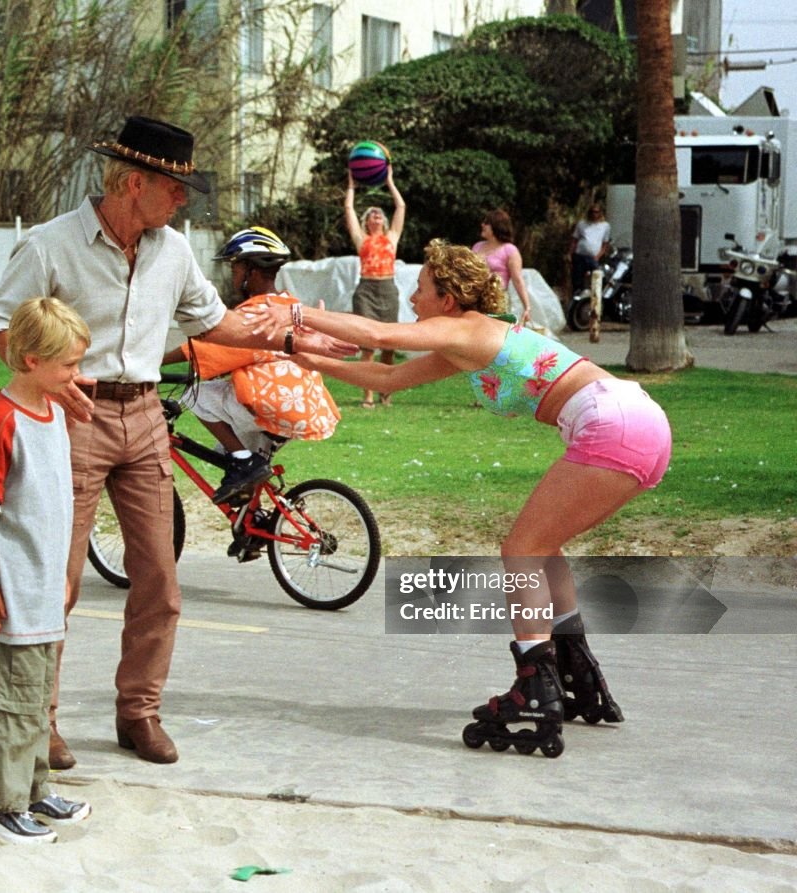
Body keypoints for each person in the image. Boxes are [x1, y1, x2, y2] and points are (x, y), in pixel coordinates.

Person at [0, 116, 354, 770]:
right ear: (131, 183)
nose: (184, 200)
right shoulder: (49, 247)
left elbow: (220, 323)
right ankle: (40, 720)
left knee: (160, 579)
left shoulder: (173, 251)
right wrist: (45, 382)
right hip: (73, 418)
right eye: (174, 188)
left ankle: (139, 712)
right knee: (56, 581)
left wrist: (293, 340)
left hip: (146, 415)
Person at [246, 239, 672, 757]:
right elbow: (386, 376)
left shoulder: (465, 326)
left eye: (419, 290)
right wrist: (297, 351)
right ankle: (573, 668)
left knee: (521, 548)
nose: (412, 301)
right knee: (542, 547)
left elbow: (379, 334)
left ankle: (535, 684)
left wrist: (296, 313)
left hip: (614, 422)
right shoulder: (468, 343)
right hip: (637, 422)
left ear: (447, 298)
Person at [0, 297, 93, 844]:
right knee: (2, 701)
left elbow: (54, 504)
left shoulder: (53, 413)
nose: (76, 376)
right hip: (6, 588)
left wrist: (61, 572)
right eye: (68, 366)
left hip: (39, 587)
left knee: (35, 696)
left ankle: (32, 789)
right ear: (32, 360)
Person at [162, 226, 340, 509]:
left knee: (197, 395)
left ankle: (244, 462)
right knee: (241, 468)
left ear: (251, 272)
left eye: (235, 269)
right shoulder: (289, 304)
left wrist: (153, 362)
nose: (232, 275)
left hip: (272, 406)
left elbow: (204, 351)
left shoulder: (255, 314)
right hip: (300, 407)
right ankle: (252, 523)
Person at [343, 166, 406, 408]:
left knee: (389, 347)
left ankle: (385, 392)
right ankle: (368, 396)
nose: (377, 215)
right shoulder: (362, 239)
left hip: (388, 289)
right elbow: (348, 209)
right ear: (367, 221)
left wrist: (389, 181)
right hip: (366, 291)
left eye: (380, 213)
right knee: (368, 347)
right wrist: (351, 185)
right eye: (372, 214)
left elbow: (401, 207)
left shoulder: (392, 237)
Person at [472, 209, 532, 323]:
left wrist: (527, 306)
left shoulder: (510, 250)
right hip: (476, 299)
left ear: (496, 226)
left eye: (486, 223)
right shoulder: (477, 247)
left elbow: (517, 280)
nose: (482, 225)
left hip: (496, 300)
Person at [570, 202, 612, 294]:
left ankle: (596, 298)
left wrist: (597, 257)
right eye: (592, 212)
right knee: (577, 281)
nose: (594, 214)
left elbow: (605, 245)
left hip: (593, 257)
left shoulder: (605, 226)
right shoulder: (582, 224)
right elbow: (574, 241)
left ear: (600, 213)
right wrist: (570, 255)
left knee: (598, 278)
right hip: (580, 255)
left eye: (596, 212)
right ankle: (577, 298)